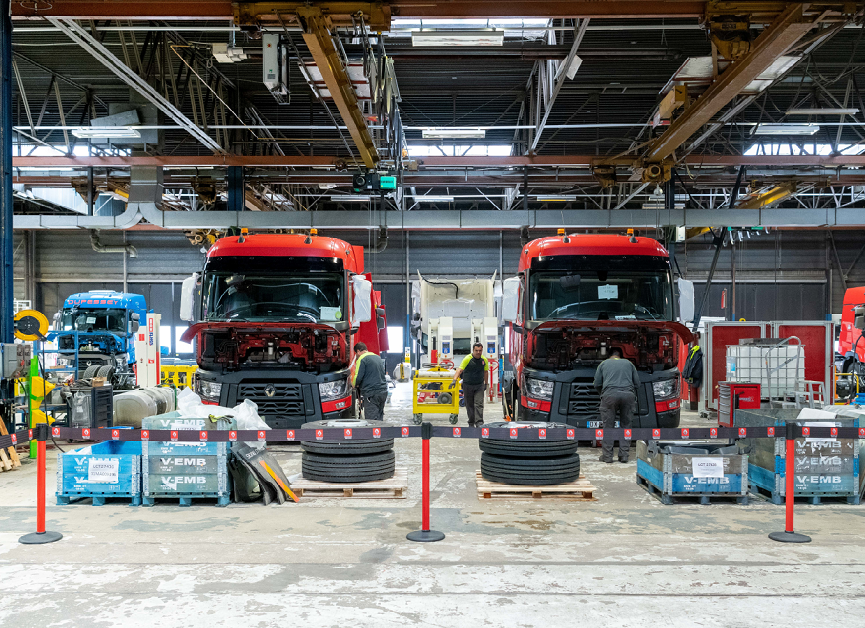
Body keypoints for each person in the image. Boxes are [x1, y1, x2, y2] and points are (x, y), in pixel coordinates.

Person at [593, 348, 640, 463]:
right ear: (620, 356)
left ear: (609, 356)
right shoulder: (629, 364)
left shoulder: (603, 364)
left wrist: (603, 394)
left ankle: (607, 456)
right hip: (628, 396)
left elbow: (597, 383)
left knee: (608, 426)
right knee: (626, 425)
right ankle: (624, 456)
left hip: (609, 396)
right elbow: (637, 384)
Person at [451, 342, 489, 427]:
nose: (478, 352)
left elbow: (486, 372)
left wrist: (486, 383)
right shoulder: (467, 359)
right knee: (469, 405)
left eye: (480, 350)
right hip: (468, 385)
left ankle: (479, 422)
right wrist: (454, 380)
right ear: (473, 350)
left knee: (479, 404)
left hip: (479, 385)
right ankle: (471, 422)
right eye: (476, 350)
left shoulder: (484, 360)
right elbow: (459, 370)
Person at [352, 342, 388, 421]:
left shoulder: (362, 359)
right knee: (379, 417)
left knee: (371, 420)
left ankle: (373, 433)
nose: (356, 356)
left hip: (371, 393)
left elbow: (358, 377)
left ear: (358, 351)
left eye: (356, 353)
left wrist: (354, 385)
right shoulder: (377, 357)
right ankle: (380, 432)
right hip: (383, 392)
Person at [682, 332, 703, 411]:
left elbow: (690, 365)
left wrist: (688, 375)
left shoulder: (694, 352)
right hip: (696, 376)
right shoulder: (695, 352)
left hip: (695, 376)